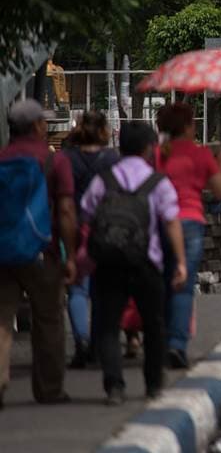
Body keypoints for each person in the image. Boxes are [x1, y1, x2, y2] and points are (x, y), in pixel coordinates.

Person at [82, 122, 187, 405]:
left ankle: (114, 387)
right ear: (149, 149)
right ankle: (153, 385)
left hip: (108, 262)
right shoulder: (158, 182)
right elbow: (172, 221)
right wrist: (180, 261)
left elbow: (86, 216)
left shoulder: (103, 180)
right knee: (154, 324)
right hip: (146, 263)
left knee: (108, 326)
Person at [0, 99, 76, 408]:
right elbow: (66, 210)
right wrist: (71, 256)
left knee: (2, 319)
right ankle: (49, 389)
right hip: (43, 252)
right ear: (37, 126)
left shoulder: (2, 159)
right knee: (48, 320)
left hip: (3, 251)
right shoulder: (53, 161)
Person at [156, 103, 221, 369]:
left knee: (163, 282)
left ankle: (161, 341)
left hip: (160, 223)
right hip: (190, 223)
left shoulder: (157, 154)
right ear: (188, 126)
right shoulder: (200, 154)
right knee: (183, 285)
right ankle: (176, 344)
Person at [63, 111, 120, 368]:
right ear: (104, 131)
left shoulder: (67, 158)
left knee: (77, 288)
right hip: (106, 229)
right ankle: (97, 345)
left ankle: (81, 341)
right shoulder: (112, 159)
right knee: (101, 290)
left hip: (74, 227)